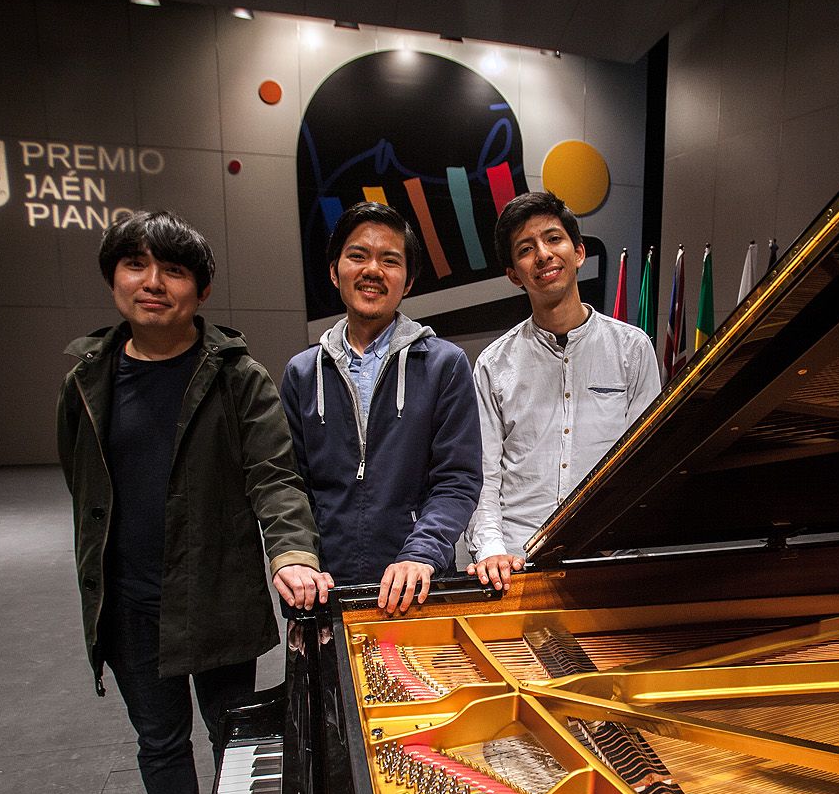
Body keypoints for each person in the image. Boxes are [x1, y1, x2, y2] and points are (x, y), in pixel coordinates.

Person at [57, 210, 331, 794]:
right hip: (128, 604)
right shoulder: (87, 377)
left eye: (173, 270)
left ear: (200, 291)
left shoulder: (239, 378)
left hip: (214, 594)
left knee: (233, 736)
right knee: (159, 740)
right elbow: (83, 490)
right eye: (135, 265)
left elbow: (275, 477)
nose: (152, 283)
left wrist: (293, 553)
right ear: (114, 277)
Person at [281, 201, 481, 611]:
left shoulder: (444, 364)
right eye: (358, 256)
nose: (373, 270)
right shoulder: (302, 373)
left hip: (417, 582)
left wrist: (420, 553)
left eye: (390, 260)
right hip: (321, 586)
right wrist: (297, 557)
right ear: (335, 271)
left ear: (407, 282)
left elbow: (457, 479)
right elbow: (289, 484)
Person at [466, 192, 660, 587]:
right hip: (517, 565)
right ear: (514, 274)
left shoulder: (633, 348)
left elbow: (644, 465)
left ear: (578, 253)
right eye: (526, 248)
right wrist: (490, 550)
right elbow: (483, 475)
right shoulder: (492, 363)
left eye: (553, 239)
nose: (543, 254)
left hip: (606, 557)